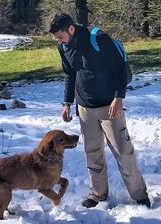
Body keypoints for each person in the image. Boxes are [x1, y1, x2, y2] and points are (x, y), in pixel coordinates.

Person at [49, 12, 150, 209]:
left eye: (60, 36)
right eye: (56, 38)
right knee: (92, 153)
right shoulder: (63, 47)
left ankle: (140, 195)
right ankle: (97, 195)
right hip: (85, 108)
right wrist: (67, 103)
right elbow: (69, 75)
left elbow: (120, 69)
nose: (59, 41)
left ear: (71, 29)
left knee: (123, 152)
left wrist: (118, 98)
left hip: (110, 106)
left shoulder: (98, 39)